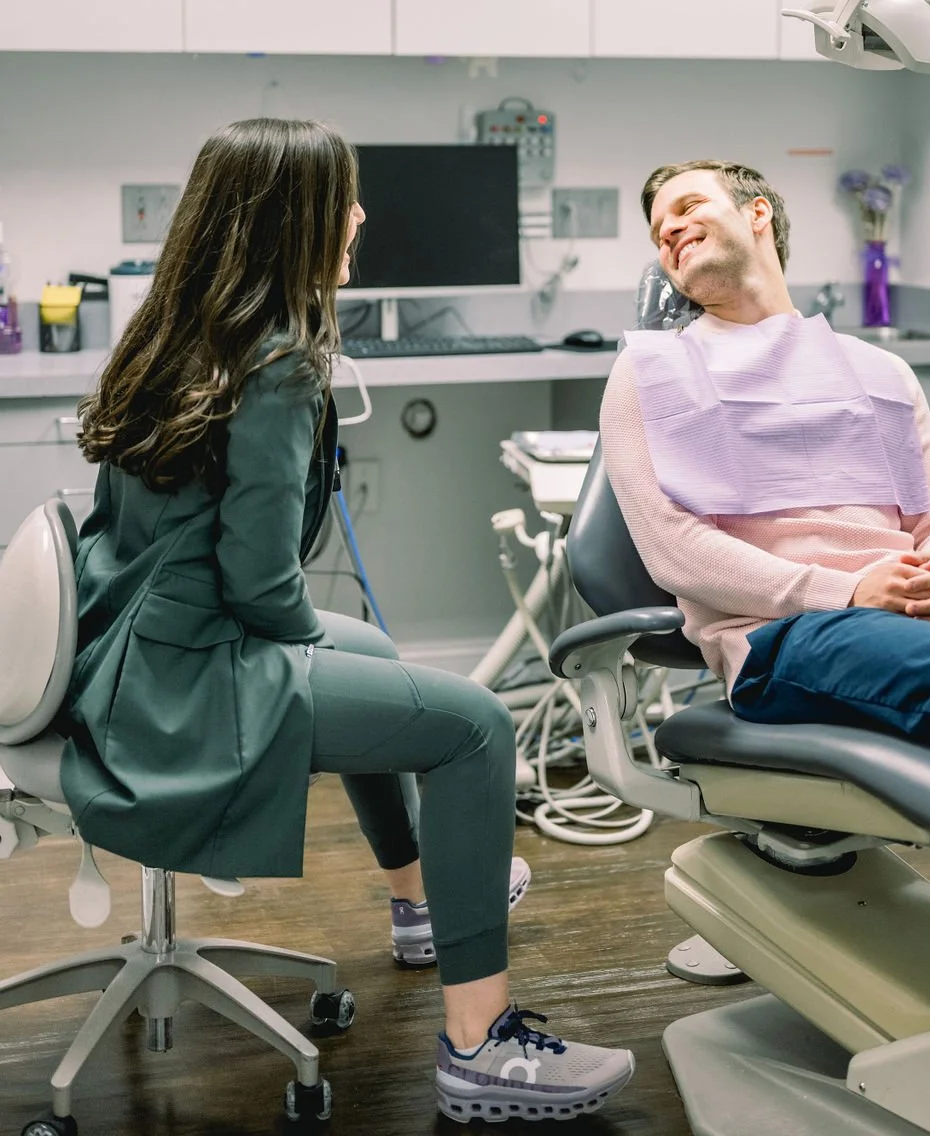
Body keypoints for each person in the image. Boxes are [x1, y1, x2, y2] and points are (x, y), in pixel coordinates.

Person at [64, 118, 634, 1124]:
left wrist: (313, 634)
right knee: (474, 725)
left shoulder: (172, 332)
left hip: (128, 648)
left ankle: (422, 907)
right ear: (295, 220)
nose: (362, 216)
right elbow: (256, 579)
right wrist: (296, 629)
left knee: (370, 650)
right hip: (195, 671)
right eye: (347, 199)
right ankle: (480, 1048)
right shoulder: (278, 361)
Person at [602, 158, 930, 799]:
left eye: (687, 207)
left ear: (757, 212)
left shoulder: (879, 370)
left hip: (915, 602)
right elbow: (676, 554)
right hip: (785, 636)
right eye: (659, 229)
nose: (668, 231)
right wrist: (851, 589)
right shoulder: (650, 372)